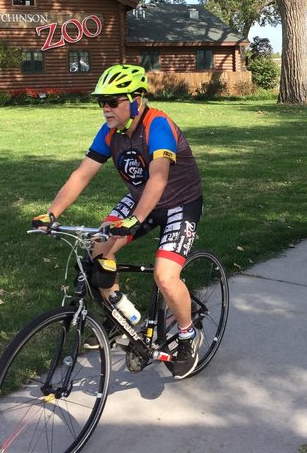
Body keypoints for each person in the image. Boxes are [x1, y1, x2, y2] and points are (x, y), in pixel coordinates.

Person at [33, 64, 204, 379]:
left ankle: (187, 336)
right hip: (141, 200)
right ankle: (127, 321)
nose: (105, 109)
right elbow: (82, 175)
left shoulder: (158, 125)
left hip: (179, 202)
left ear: (137, 99)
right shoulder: (110, 132)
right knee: (96, 254)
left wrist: (135, 220)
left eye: (113, 101)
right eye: (101, 102)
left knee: (166, 277)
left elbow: (158, 177)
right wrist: (52, 212)